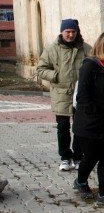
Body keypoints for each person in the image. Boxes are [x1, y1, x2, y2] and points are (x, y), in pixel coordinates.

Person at [72, 32, 104, 207]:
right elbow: (83, 97)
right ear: (102, 45)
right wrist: (96, 115)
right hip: (90, 124)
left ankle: (103, 193)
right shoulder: (90, 66)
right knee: (92, 156)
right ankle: (80, 181)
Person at [36, 19, 92, 171]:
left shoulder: (85, 48)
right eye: (68, 31)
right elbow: (40, 69)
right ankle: (65, 157)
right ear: (62, 32)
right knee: (63, 127)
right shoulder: (51, 49)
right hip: (61, 94)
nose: (71, 34)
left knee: (79, 127)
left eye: (73, 32)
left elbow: (95, 66)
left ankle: (78, 157)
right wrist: (55, 75)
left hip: (80, 94)